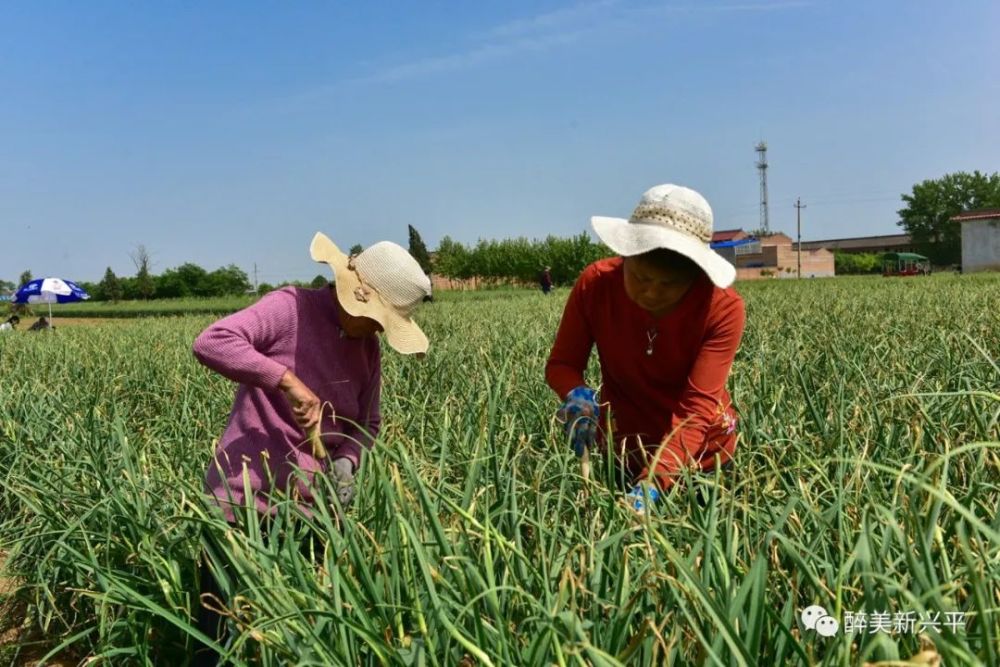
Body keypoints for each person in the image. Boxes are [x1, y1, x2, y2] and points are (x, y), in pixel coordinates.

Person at [190, 232, 432, 664]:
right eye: (378, 318)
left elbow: (368, 422)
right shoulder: (290, 309)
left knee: (301, 640)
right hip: (244, 506)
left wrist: (347, 460)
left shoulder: (367, 348)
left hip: (312, 514)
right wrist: (284, 379)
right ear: (356, 295)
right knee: (220, 641)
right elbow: (212, 342)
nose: (378, 328)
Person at [546, 184, 745, 512]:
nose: (650, 294)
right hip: (624, 448)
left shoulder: (721, 309)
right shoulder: (595, 285)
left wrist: (654, 482)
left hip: (702, 458)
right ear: (625, 255)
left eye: (668, 285)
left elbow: (695, 411)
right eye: (639, 277)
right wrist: (575, 393)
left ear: (695, 277)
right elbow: (562, 364)